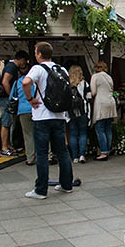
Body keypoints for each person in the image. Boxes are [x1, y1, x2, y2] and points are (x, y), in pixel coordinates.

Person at [21, 42, 73, 199]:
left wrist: (30, 98)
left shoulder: (37, 69)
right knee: (62, 152)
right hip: (59, 116)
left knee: (42, 153)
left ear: (38, 54)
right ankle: (66, 185)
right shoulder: (61, 69)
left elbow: (25, 82)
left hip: (42, 116)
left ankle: (40, 190)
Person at [0, 51, 30, 156]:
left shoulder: (11, 66)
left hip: (5, 98)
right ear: (21, 59)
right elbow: (5, 81)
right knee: (6, 122)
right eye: (25, 61)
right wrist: (11, 96)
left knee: (9, 122)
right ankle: (4, 147)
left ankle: (8, 146)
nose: (25, 63)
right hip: (6, 99)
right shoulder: (11, 67)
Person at [9, 67, 37, 165]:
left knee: (28, 135)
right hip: (37, 109)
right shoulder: (36, 81)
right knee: (42, 133)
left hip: (23, 110)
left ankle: (30, 158)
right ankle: (48, 156)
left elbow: (12, 97)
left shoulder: (18, 82)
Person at [90, 61, 117, 161]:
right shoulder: (109, 77)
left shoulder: (95, 77)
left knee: (100, 128)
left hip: (101, 103)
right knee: (108, 128)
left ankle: (104, 152)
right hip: (110, 102)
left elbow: (93, 92)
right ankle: (108, 150)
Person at [67, 65, 91, 164]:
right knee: (83, 133)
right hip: (83, 111)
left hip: (70, 112)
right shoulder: (84, 83)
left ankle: (75, 157)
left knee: (72, 134)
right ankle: (82, 155)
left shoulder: (67, 84)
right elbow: (89, 97)